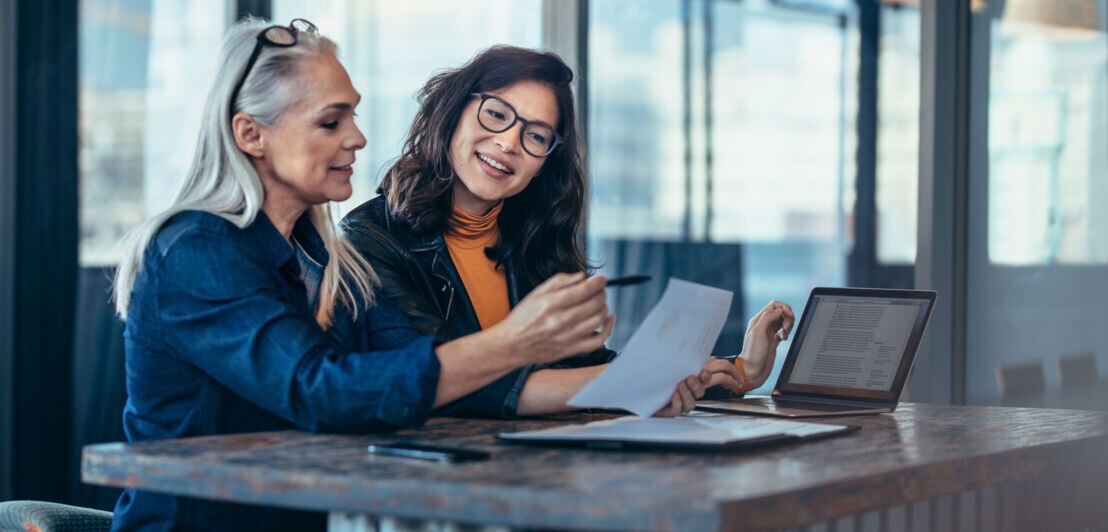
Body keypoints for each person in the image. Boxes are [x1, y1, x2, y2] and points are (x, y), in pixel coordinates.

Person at [108, 19, 644, 531]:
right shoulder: (195, 251)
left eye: (354, 117)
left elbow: (396, 374)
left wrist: (642, 380)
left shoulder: (323, 257)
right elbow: (321, 390)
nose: (358, 138)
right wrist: (515, 342)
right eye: (331, 122)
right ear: (251, 134)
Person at [341, 45, 796, 418]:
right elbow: (439, 382)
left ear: (544, 164)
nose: (509, 142)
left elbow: (584, 369)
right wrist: (633, 384)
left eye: (536, 136)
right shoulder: (369, 239)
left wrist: (740, 370)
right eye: (496, 114)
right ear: (453, 112)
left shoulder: (532, 240)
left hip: (533, 471)